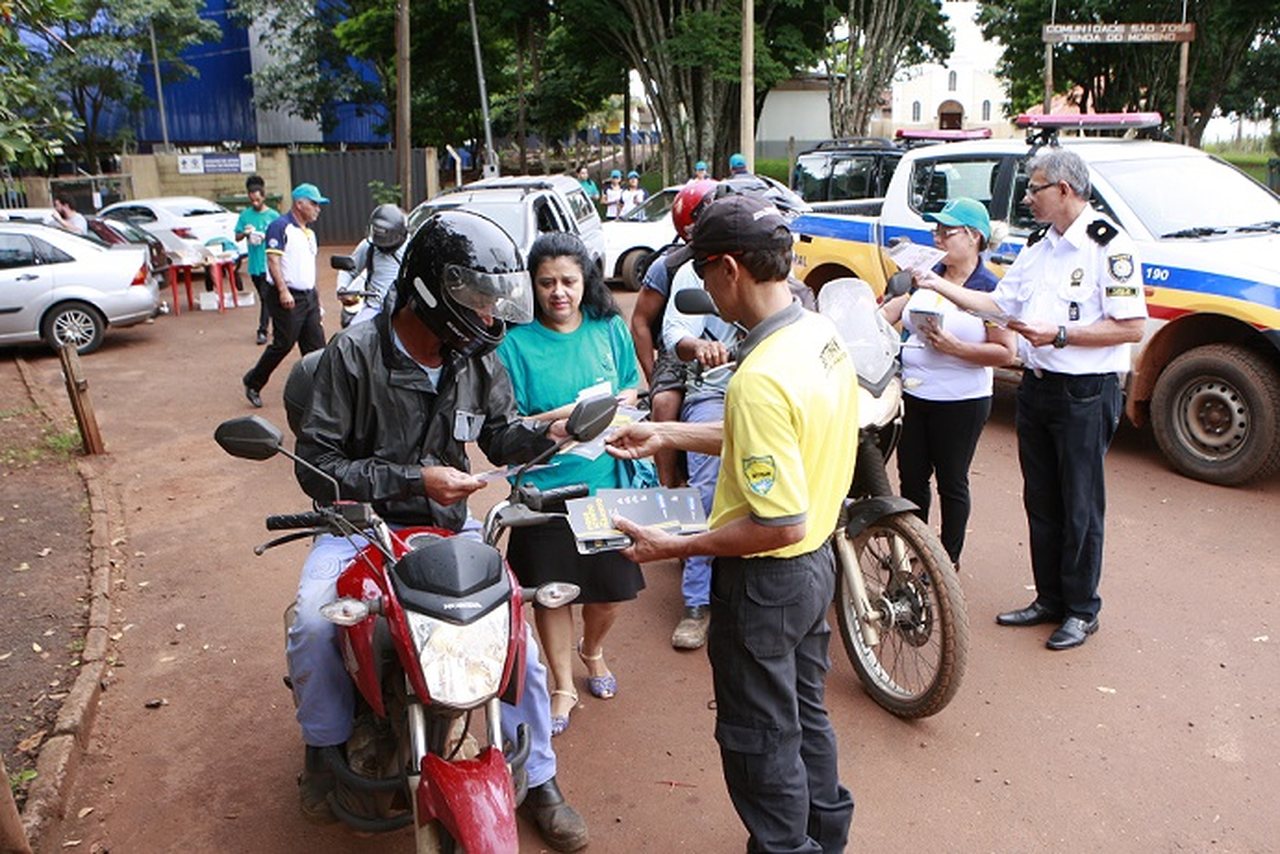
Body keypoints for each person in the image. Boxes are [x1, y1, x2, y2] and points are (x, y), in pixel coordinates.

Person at [291, 209, 589, 851]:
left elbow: (501, 433)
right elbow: (318, 467)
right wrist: (414, 480)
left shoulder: (474, 357)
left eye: (491, 302)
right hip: (355, 525)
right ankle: (321, 749)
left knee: (520, 649)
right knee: (315, 625)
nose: (489, 317)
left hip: (448, 530)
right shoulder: (353, 354)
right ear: (432, 291)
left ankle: (539, 781)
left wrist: (556, 430)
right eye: (477, 301)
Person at [606, 194, 858, 853]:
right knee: (805, 718)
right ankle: (825, 837)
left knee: (759, 741)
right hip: (814, 565)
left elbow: (775, 523)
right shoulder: (816, 334)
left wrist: (675, 545)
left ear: (727, 270)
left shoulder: (760, 375)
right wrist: (665, 430)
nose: (702, 287)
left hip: (767, 580)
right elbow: (766, 438)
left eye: (701, 272)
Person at [913, 148, 1146, 650]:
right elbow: (1000, 303)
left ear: (1064, 190)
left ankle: (1082, 609)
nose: (1026, 198)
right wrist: (937, 284)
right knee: (1040, 497)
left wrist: (1059, 334)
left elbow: (1130, 326)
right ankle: (1048, 598)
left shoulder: (1107, 246)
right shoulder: (1040, 247)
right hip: (1039, 388)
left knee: (1079, 503)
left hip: (1085, 391)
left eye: (1034, 188)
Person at [495, 232, 646, 735]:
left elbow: (629, 389)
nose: (559, 292)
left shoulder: (607, 327)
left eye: (568, 281)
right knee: (552, 594)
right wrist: (565, 420)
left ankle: (593, 649)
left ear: (586, 281)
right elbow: (508, 421)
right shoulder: (513, 343)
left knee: (609, 591)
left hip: (604, 481)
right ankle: (562, 683)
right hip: (543, 486)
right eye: (546, 283)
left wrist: (603, 413)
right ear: (530, 287)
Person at [879, 197, 1017, 567]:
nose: (938, 238)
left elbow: (1006, 352)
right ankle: (914, 551)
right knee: (911, 478)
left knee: (952, 481)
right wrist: (866, 316)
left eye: (947, 231)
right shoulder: (926, 272)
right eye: (935, 230)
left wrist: (956, 348)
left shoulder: (989, 288)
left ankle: (945, 561)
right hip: (913, 394)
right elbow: (891, 311)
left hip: (961, 400)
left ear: (973, 237)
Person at [659, 235, 742, 650]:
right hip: (714, 388)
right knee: (706, 488)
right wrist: (701, 347)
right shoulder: (696, 272)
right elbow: (676, 330)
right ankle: (696, 602)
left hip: (770, 385)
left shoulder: (780, 271)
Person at [628, 178, 719, 488]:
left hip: (731, 347)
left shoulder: (746, 254)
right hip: (677, 348)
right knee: (665, 402)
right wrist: (653, 376)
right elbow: (640, 321)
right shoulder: (669, 267)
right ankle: (669, 485)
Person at [242, 183, 329, 409]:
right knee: (284, 343)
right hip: (287, 295)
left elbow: (309, 269)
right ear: (299, 204)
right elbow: (273, 260)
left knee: (316, 347)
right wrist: (283, 291)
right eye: (314, 204)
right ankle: (253, 381)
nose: (318, 209)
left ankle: (320, 393)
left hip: (308, 296)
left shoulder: (309, 233)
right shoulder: (280, 226)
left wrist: (316, 300)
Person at [335, 203, 408, 326]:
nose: (382, 245)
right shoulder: (369, 246)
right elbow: (349, 269)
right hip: (374, 308)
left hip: (403, 310)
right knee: (352, 336)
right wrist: (342, 288)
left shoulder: (411, 248)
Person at [235, 175, 278, 345]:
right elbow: (237, 236)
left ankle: (262, 330)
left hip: (269, 263)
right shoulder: (245, 216)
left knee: (267, 297)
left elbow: (281, 237)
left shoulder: (273, 215)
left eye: (257, 200)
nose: (255, 203)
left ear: (263, 197)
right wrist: (246, 233)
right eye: (252, 200)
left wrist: (265, 235)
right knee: (265, 297)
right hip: (254, 265)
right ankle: (275, 325)